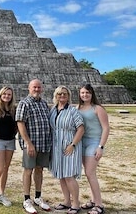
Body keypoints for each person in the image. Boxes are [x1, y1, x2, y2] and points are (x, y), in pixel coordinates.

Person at [16, 79, 52, 213]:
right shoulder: (24, 103)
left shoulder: (43, 103)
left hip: (43, 143)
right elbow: (20, 124)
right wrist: (28, 143)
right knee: (28, 170)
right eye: (34, 87)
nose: (37, 89)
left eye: (39, 87)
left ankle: (38, 196)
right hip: (31, 144)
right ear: (29, 88)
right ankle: (26, 199)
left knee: (39, 169)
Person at [49, 86, 84, 214]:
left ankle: (75, 203)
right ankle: (66, 201)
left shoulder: (73, 111)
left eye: (64, 94)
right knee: (61, 176)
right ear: (56, 96)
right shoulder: (53, 110)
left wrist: (73, 144)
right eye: (59, 94)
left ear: (68, 96)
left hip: (70, 146)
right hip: (57, 147)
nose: (62, 96)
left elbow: (81, 128)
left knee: (69, 176)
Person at [78, 84, 109, 214]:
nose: (85, 95)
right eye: (83, 93)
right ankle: (93, 200)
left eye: (87, 93)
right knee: (88, 173)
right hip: (82, 142)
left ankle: (99, 204)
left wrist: (100, 147)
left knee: (91, 173)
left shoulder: (98, 109)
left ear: (92, 94)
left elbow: (106, 128)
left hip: (94, 143)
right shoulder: (78, 108)